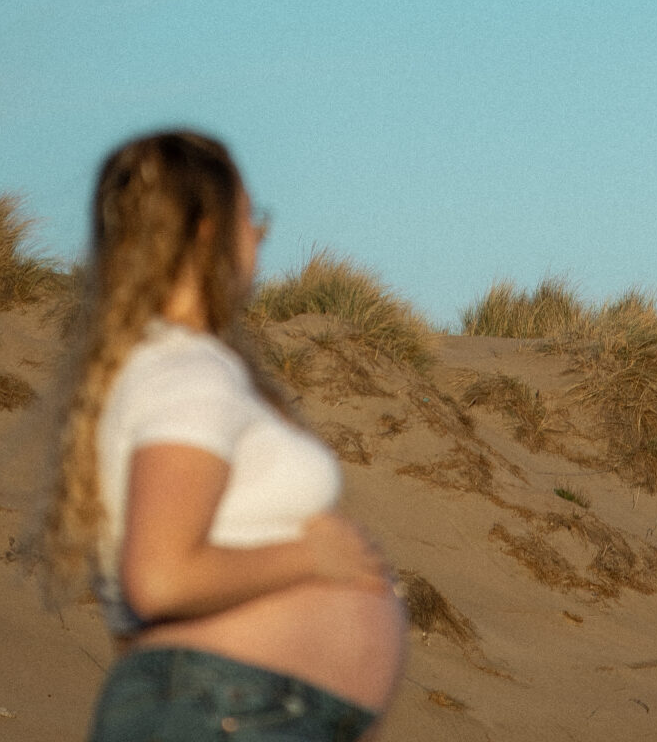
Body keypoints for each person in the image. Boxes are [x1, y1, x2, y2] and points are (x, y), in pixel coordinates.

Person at [41, 129, 406, 741]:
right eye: (250, 217)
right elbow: (159, 579)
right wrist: (313, 557)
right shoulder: (187, 371)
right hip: (230, 710)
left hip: (238, 709)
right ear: (209, 232)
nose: (260, 236)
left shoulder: (160, 367)